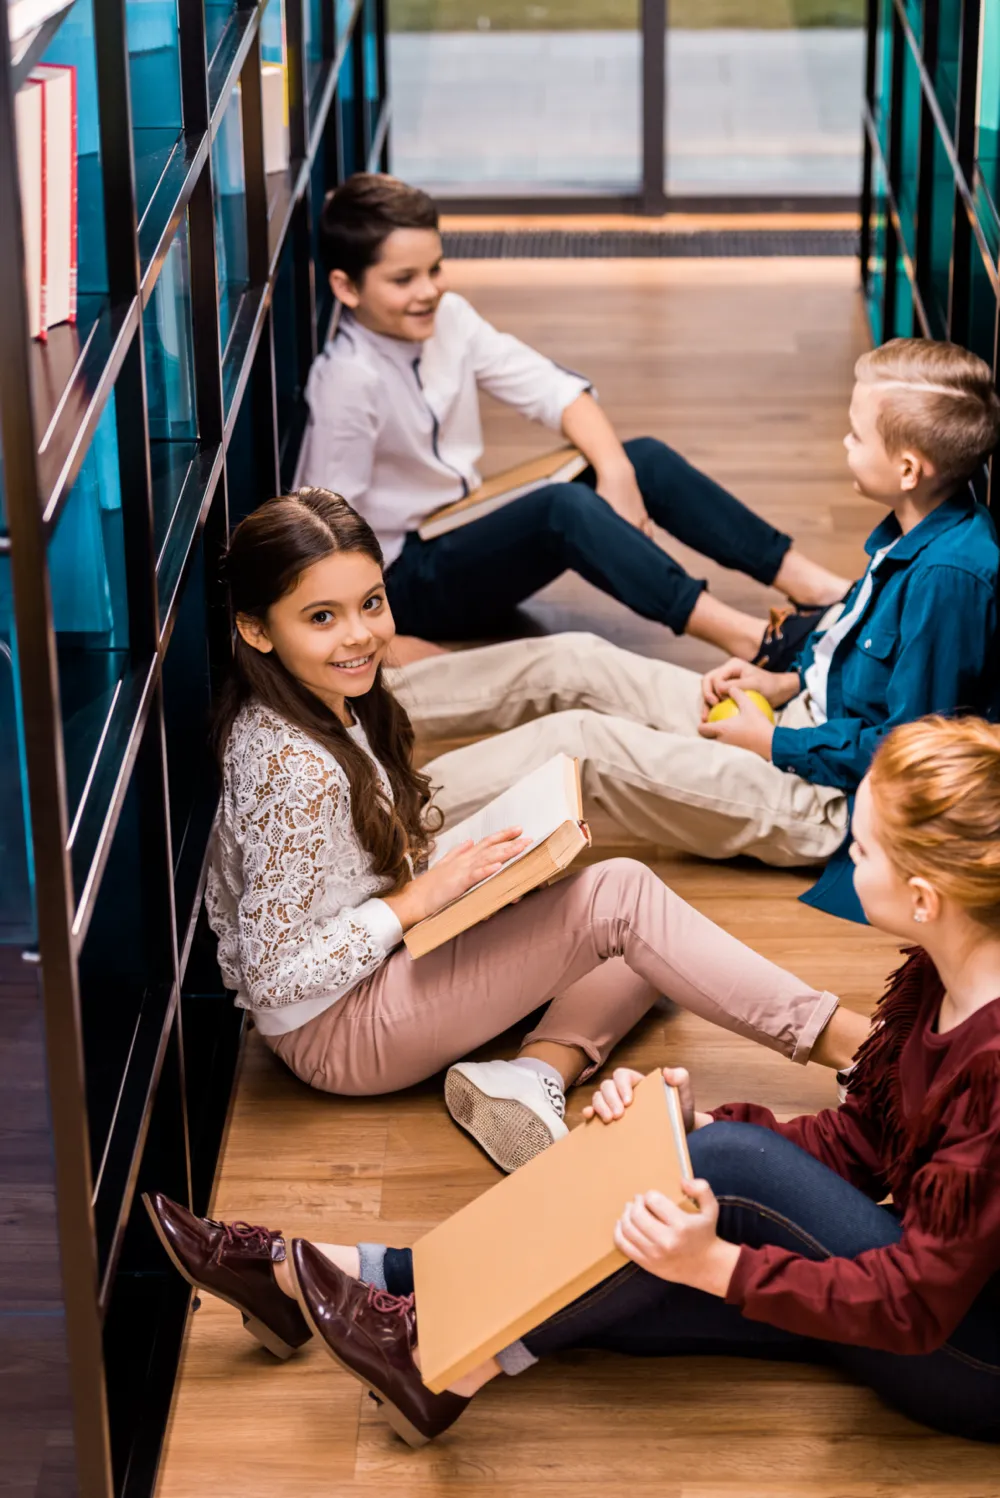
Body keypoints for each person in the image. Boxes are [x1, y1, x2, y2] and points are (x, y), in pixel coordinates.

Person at [151, 714, 1000, 1446]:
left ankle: (429, 1355)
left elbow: (917, 1306)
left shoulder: (992, 1063)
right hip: (923, 1298)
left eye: (863, 849)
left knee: (711, 1191)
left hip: (965, 1353)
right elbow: (861, 1139)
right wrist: (684, 1130)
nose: (849, 859)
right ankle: (355, 1289)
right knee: (645, 1241)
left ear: (925, 898)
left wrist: (720, 1262)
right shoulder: (938, 973)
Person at [203, 488, 863, 1172]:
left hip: (377, 962)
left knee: (644, 942)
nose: (361, 634)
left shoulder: (319, 696)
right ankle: (860, 1051)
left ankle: (532, 1075)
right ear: (256, 629)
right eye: (321, 617)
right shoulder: (293, 768)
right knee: (624, 899)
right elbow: (273, 977)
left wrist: (458, 886)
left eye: (371, 602)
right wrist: (418, 901)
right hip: (339, 1029)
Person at [386, 335, 1000, 922]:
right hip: (793, 722)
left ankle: (375, 825)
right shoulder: (911, 528)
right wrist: (780, 683)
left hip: (824, 799)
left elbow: (910, 757)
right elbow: (856, 652)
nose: (844, 441)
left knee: (579, 745)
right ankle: (354, 711)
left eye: (856, 433)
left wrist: (772, 743)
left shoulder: (950, 577)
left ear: (909, 468)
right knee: (572, 658)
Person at [293, 172, 850, 664]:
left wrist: (618, 475)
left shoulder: (452, 318)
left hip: (461, 522)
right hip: (401, 582)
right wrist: (379, 641)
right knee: (561, 510)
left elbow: (553, 391)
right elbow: (322, 538)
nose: (430, 290)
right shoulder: (347, 381)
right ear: (346, 287)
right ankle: (754, 641)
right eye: (404, 279)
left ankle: (821, 589)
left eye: (435, 269)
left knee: (643, 459)